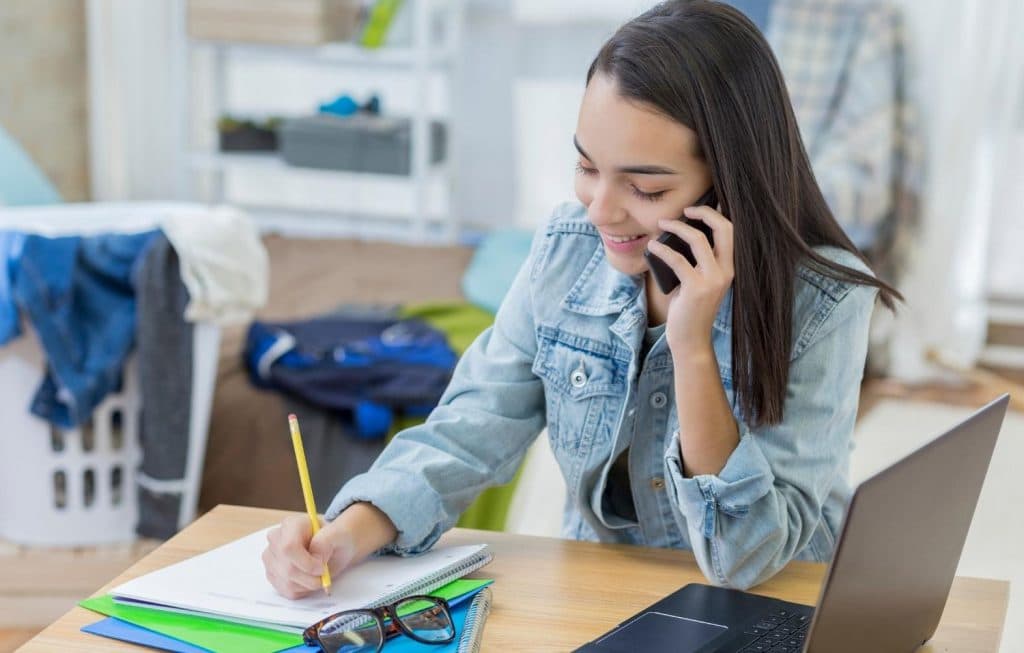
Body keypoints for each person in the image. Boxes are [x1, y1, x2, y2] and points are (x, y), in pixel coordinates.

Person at [261, 0, 902, 597]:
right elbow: (467, 433)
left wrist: (692, 349)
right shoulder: (566, 252)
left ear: (729, 183)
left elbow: (746, 559)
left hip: (776, 600)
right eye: (587, 167)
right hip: (602, 592)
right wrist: (346, 537)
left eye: (646, 188)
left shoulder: (826, 300)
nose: (600, 210)